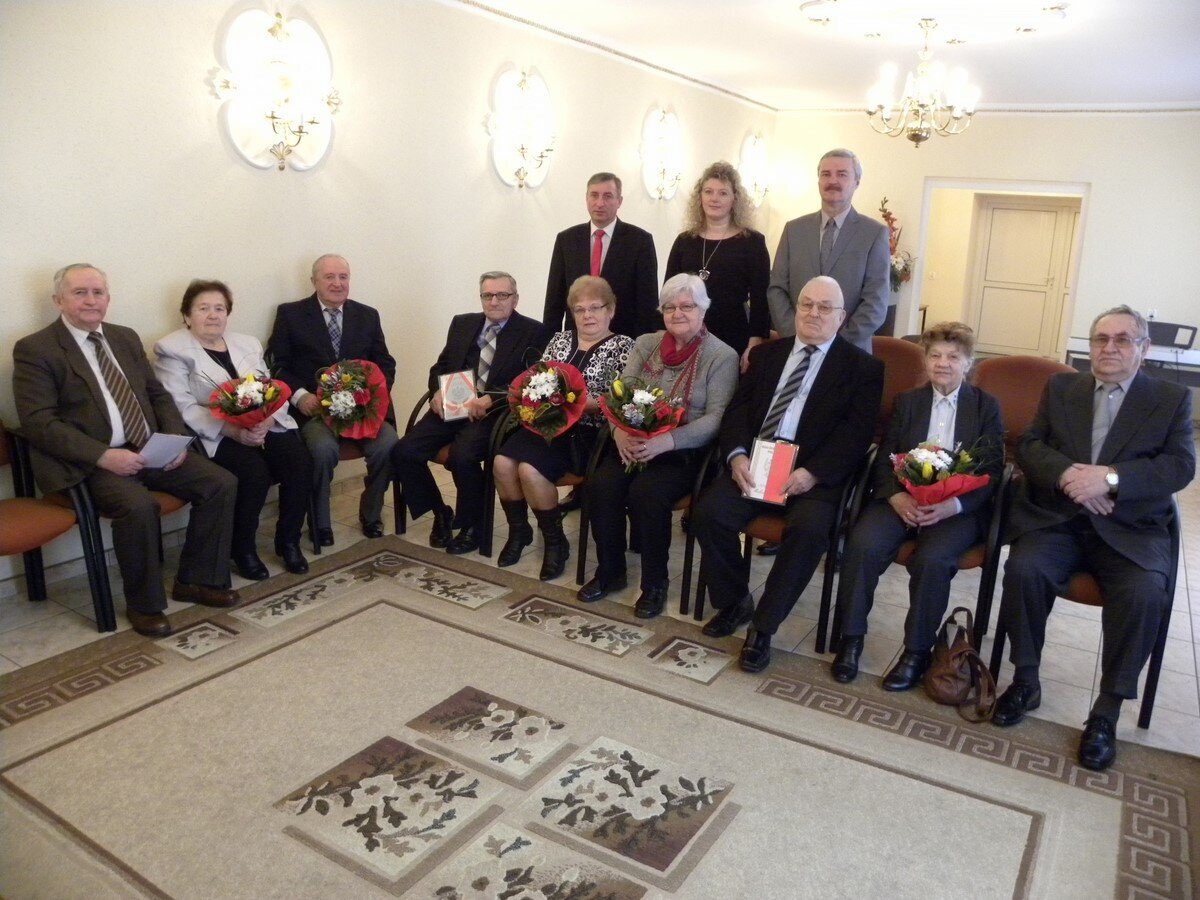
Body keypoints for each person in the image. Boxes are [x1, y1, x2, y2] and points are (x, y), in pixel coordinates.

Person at [992, 305, 1194, 772]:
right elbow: (1031, 444)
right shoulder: (1062, 388)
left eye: (1123, 340)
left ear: (1144, 348)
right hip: (1060, 518)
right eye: (1101, 339)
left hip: (1129, 527)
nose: (1109, 348)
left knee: (1144, 592)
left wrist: (1110, 479)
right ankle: (1025, 680)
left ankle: (1106, 711)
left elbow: (1180, 466)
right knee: (1023, 568)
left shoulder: (1170, 399)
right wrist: (1069, 476)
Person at [12, 264, 239, 637]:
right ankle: (144, 605)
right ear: (58, 300)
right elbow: (39, 422)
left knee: (220, 483)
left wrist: (174, 437)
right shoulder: (36, 349)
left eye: (98, 292)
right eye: (80, 292)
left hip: (148, 447)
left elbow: (156, 394)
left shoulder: (124, 337)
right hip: (90, 461)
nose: (91, 300)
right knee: (138, 506)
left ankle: (197, 580)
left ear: (108, 298)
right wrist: (102, 456)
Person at [691, 276, 883, 672]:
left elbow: (856, 434)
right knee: (708, 513)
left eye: (825, 307)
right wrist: (737, 456)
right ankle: (734, 602)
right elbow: (738, 411)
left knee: (809, 532)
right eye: (806, 304)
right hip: (756, 463)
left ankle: (763, 627)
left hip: (812, 476)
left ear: (841, 317)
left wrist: (813, 473)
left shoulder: (863, 368)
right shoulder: (766, 355)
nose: (814, 313)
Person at [830, 322, 1003, 689]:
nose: (943, 363)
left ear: (968, 362)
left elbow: (991, 469)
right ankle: (851, 638)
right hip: (902, 500)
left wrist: (953, 506)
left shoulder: (985, 406)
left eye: (953, 357)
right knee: (863, 544)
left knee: (932, 560)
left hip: (955, 509)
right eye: (935, 355)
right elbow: (885, 457)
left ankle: (916, 652)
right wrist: (896, 495)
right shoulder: (908, 402)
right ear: (924, 360)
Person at [578, 273, 739, 619]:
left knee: (647, 495)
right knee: (601, 485)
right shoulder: (646, 344)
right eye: (669, 307)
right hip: (632, 441)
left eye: (687, 306)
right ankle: (611, 571)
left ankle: (654, 584)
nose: (677, 313)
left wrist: (667, 441)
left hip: (683, 452)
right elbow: (618, 395)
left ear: (703, 310)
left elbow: (717, 419)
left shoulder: (721, 355)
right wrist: (619, 433)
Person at [153, 280, 314, 581]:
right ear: (187, 315)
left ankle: (288, 541)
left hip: (263, 426)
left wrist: (267, 419)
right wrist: (233, 431)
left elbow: (272, 389)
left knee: (299, 461)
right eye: (203, 308)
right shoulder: (171, 349)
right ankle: (242, 548)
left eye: (219, 308)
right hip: (213, 434)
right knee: (254, 473)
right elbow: (181, 408)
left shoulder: (247, 343)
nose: (212, 315)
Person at [392, 271, 550, 555]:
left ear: (515, 299)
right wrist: (436, 391)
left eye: (502, 295)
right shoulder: (462, 323)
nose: (494, 301)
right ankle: (441, 513)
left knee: (462, 456)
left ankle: (472, 526)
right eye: (488, 295)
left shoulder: (534, 331)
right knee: (404, 451)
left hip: (495, 412)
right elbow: (441, 366)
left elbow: (531, 380)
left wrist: (492, 398)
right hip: (453, 405)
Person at [493, 276, 633, 580]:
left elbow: (620, 399)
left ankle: (555, 542)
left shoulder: (623, 346)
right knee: (502, 463)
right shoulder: (559, 340)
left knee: (529, 470)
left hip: (588, 434)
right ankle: (519, 532)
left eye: (595, 308)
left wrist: (579, 403)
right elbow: (537, 378)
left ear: (610, 310)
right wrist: (536, 398)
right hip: (546, 425)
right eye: (580, 309)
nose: (587, 315)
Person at [267, 254, 398, 546]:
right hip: (316, 412)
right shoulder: (290, 314)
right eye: (329, 277)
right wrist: (300, 396)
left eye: (343, 277)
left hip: (362, 412)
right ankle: (320, 523)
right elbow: (276, 365)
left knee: (388, 444)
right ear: (314, 281)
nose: (338, 283)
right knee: (322, 450)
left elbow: (385, 363)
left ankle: (371, 514)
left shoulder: (367, 315)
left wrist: (372, 395)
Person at [766, 148, 889, 350]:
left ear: (856, 182)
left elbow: (875, 303)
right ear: (818, 181)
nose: (833, 181)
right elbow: (777, 289)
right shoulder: (793, 230)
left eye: (842, 174)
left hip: (849, 351)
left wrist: (833, 347)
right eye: (826, 174)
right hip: (796, 347)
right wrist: (798, 336)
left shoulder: (874, 234)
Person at [665, 161, 770, 372]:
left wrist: (755, 342)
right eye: (708, 192)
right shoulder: (684, 241)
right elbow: (668, 293)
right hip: (686, 334)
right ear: (700, 197)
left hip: (733, 334)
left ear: (734, 199)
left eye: (723, 193)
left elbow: (761, 297)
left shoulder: (752, 242)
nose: (714, 198)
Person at [544, 172, 659, 339]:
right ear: (586, 199)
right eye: (594, 195)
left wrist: (641, 347)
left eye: (607, 196)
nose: (600, 203)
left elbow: (647, 303)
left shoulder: (640, 241)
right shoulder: (566, 240)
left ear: (619, 201)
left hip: (622, 339)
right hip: (576, 339)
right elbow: (554, 300)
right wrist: (549, 343)